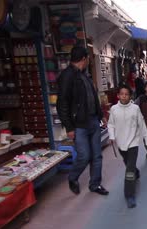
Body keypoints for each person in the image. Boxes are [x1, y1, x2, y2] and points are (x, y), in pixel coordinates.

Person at [57, 46, 109, 196]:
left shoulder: (85, 75)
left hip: (93, 121)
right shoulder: (67, 76)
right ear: (84, 59)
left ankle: (95, 184)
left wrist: (101, 115)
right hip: (79, 125)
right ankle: (73, 177)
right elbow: (63, 103)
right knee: (84, 155)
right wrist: (69, 127)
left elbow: (93, 98)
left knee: (97, 155)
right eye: (88, 59)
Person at [108, 84, 147, 208]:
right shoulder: (114, 109)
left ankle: (129, 195)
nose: (124, 96)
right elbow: (111, 124)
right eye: (122, 94)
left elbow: (141, 124)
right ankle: (136, 171)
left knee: (129, 170)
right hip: (121, 143)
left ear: (130, 96)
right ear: (118, 96)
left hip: (133, 143)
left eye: (126, 94)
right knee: (129, 165)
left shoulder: (135, 108)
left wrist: (146, 140)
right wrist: (111, 136)